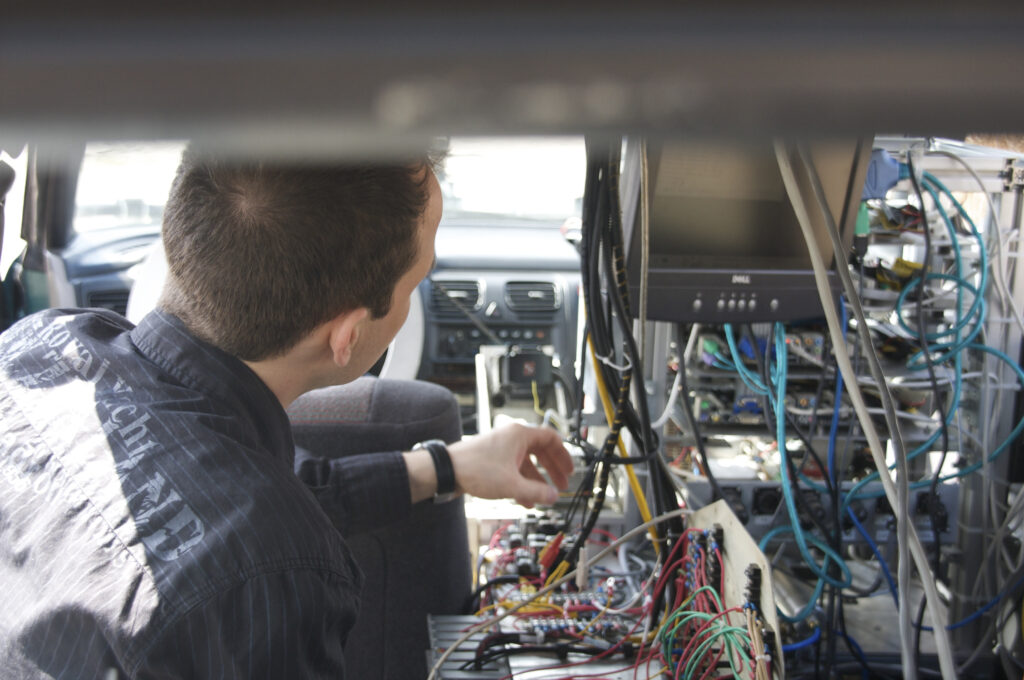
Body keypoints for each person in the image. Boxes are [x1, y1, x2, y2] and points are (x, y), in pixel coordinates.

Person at [0, 147, 573, 678]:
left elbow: (231, 504)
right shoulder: (276, 578)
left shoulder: (41, 346)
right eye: (417, 278)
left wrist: (445, 466)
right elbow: (246, 535)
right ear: (347, 335)